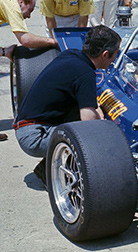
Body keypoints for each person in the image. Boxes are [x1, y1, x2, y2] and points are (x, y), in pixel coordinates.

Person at [13, 25, 121, 183]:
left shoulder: (71, 55)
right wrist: (101, 115)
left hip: (26, 126)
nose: (115, 59)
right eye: (115, 54)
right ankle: (72, 175)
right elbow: (89, 121)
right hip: (34, 136)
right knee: (95, 133)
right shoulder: (85, 74)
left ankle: (45, 168)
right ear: (105, 54)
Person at [1, 0, 57, 142]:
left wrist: (3, 52)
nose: (29, 17)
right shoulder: (12, 5)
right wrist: (53, 42)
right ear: (21, 2)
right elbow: (25, 40)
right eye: (30, 11)